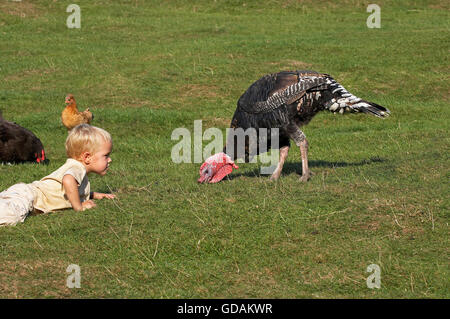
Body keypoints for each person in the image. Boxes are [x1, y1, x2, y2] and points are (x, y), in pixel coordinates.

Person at [0, 124, 115, 226]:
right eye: (105, 155)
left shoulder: (77, 169)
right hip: (28, 196)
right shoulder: (76, 169)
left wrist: (93, 195)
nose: (109, 159)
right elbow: (68, 181)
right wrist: (79, 207)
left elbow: (70, 191)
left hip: (27, 194)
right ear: (87, 157)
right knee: (10, 217)